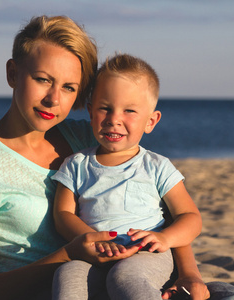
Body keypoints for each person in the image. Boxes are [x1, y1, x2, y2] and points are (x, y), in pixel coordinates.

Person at [0, 15, 234, 300]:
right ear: (13, 73)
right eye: (42, 79)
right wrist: (70, 254)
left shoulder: (87, 138)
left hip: (128, 274)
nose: (54, 99)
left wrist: (189, 273)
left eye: (69, 88)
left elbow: (163, 207)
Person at [51, 53, 203, 299]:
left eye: (129, 111)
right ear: (90, 112)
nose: (114, 120)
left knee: (125, 277)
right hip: (93, 252)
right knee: (67, 274)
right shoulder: (76, 164)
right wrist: (89, 240)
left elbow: (190, 216)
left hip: (144, 253)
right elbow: (62, 215)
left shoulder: (156, 166)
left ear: (151, 121)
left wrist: (164, 238)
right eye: (105, 108)